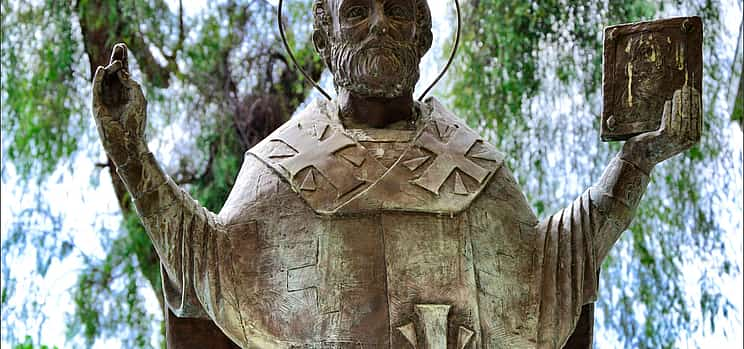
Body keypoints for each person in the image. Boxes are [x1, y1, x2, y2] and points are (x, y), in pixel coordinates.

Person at [91, 0, 701, 348]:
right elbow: (205, 262)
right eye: (357, 11)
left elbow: (552, 273)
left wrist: (636, 161)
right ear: (324, 37)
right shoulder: (277, 171)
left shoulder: (478, 171)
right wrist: (129, 152)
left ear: (426, 35)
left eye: (400, 11)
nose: (380, 25)